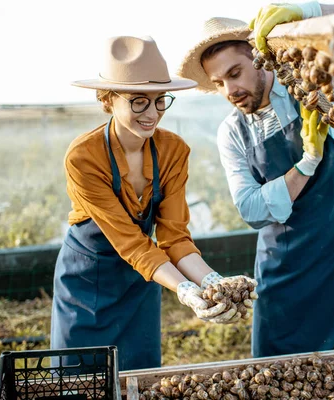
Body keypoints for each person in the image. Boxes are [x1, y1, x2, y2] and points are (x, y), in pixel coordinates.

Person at [51, 35, 257, 371]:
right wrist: (184, 289)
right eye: (138, 102)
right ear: (108, 100)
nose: (152, 114)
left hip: (143, 281)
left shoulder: (174, 151)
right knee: (77, 379)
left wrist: (211, 283)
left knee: (138, 374)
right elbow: (130, 242)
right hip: (87, 282)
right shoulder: (83, 157)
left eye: (160, 101)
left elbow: (174, 237)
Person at [178, 1, 334, 358]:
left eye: (235, 73)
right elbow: (251, 209)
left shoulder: (312, 87)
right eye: (219, 83)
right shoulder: (232, 132)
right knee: (275, 360)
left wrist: (306, 10)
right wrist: (306, 164)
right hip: (282, 260)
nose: (230, 90)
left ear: (258, 57)